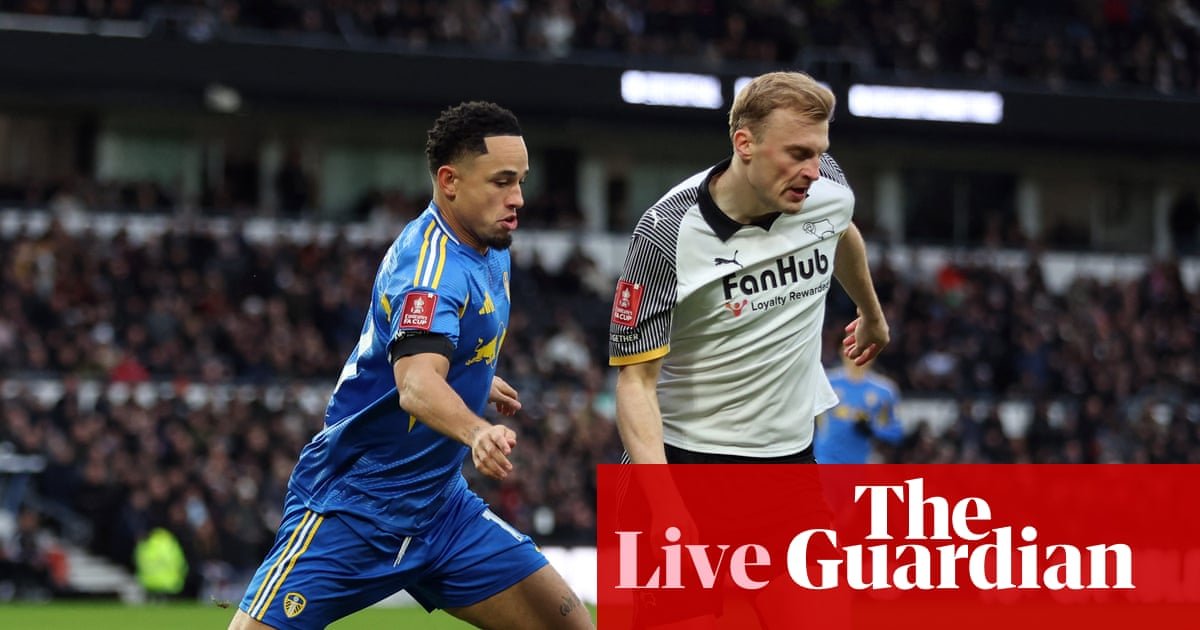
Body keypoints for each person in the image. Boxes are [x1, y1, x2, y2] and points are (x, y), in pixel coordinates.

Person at [230, 102, 593, 630]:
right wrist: (476, 430)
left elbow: (431, 352)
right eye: (501, 181)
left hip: (441, 508)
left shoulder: (491, 245)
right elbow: (417, 384)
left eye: (521, 181)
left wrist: (475, 377)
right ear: (449, 181)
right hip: (356, 504)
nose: (517, 198)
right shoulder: (429, 270)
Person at [609, 71, 889, 467]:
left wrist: (871, 314)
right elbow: (635, 382)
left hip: (791, 457)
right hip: (686, 456)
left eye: (819, 152)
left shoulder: (827, 187)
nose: (813, 170)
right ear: (745, 144)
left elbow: (840, 230)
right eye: (797, 154)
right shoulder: (667, 232)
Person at [813, 353, 905, 464]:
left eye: (862, 351)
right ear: (842, 353)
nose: (856, 356)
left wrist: (873, 430)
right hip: (825, 459)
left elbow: (897, 432)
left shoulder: (885, 390)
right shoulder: (826, 382)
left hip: (861, 462)